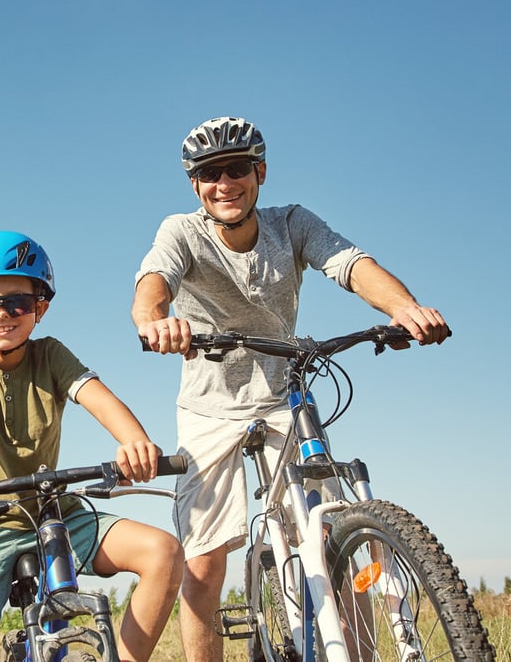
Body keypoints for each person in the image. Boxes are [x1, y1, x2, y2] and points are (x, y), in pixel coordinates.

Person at [131, 116, 450, 661]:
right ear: (195, 184)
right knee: (205, 560)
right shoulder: (181, 231)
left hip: (284, 391)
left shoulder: (293, 223)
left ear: (260, 173)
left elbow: (350, 264)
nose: (223, 184)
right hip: (211, 408)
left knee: (330, 541)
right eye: (209, 174)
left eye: (236, 170)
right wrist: (153, 320)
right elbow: (154, 281)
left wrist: (404, 308)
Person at [0, 230, 184, 662]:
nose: (2, 314)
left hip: (55, 515)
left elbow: (99, 399)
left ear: (40, 308)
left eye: (18, 303)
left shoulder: (51, 356)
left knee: (164, 552)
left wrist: (135, 442)